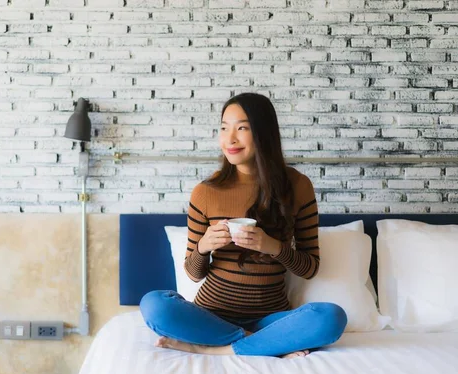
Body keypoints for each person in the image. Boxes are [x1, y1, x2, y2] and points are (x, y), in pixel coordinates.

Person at [140, 93, 347, 359]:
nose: (230, 139)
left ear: (263, 132)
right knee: (155, 305)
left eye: (242, 128)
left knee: (331, 318)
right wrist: (204, 246)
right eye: (224, 128)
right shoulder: (205, 192)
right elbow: (193, 274)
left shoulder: (298, 186)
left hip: (270, 319)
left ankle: (217, 349)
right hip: (210, 316)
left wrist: (272, 246)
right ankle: (262, 344)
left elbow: (309, 268)